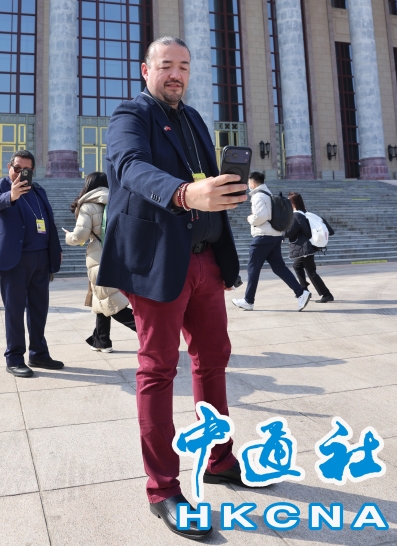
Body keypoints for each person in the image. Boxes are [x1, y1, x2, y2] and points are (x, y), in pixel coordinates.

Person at [98, 36, 248, 540]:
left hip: (206, 259)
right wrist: (184, 193)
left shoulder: (194, 119)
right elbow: (129, 167)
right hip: (159, 262)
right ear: (146, 70)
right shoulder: (131, 114)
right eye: (166, 66)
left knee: (213, 360)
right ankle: (162, 488)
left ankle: (218, 459)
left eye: (183, 66)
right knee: (159, 369)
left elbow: (207, 177)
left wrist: (225, 190)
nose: (176, 74)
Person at [0, 149, 63, 378]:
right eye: (17, 168)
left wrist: (55, 250)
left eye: (26, 170)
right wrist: (11, 195)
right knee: (15, 310)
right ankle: (14, 358)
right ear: (9, 167)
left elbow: (49, 222)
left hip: (41, 258)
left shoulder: (38, 191)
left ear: (33, 171)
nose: (20, 173)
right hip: (15, 260)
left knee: (39, 309)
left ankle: (38, 353)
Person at [65, 171, 136, 353]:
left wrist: (69, 237)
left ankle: (152, 334)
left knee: (113, 304)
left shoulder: (88, 205)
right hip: (119, 255)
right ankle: (101, 340)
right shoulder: (116, 200)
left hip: (99, 257)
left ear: (88, 185)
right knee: (101, 297)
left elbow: (80, 236)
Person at [232, 171, 311, 312]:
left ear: (253, 183)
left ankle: (248, 301)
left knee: (253, 268)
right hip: (274, 235)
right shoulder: (268, 194)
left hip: (263, 237)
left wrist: (250, 219)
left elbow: (261, 216)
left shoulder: (258, 196)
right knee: (279, 268)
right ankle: (301, 293)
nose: (249, 185)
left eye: (249, 182)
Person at [286, 191, 335, 303]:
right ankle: (304, 290)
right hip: (308, 247)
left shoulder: (297, 216)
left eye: (289, 202)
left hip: (305, 249)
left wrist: (282, 230)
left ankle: (326, 294)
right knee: (297, 266)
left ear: (293, 203)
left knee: (311, 272)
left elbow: (289, 233)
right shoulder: (306, 214)